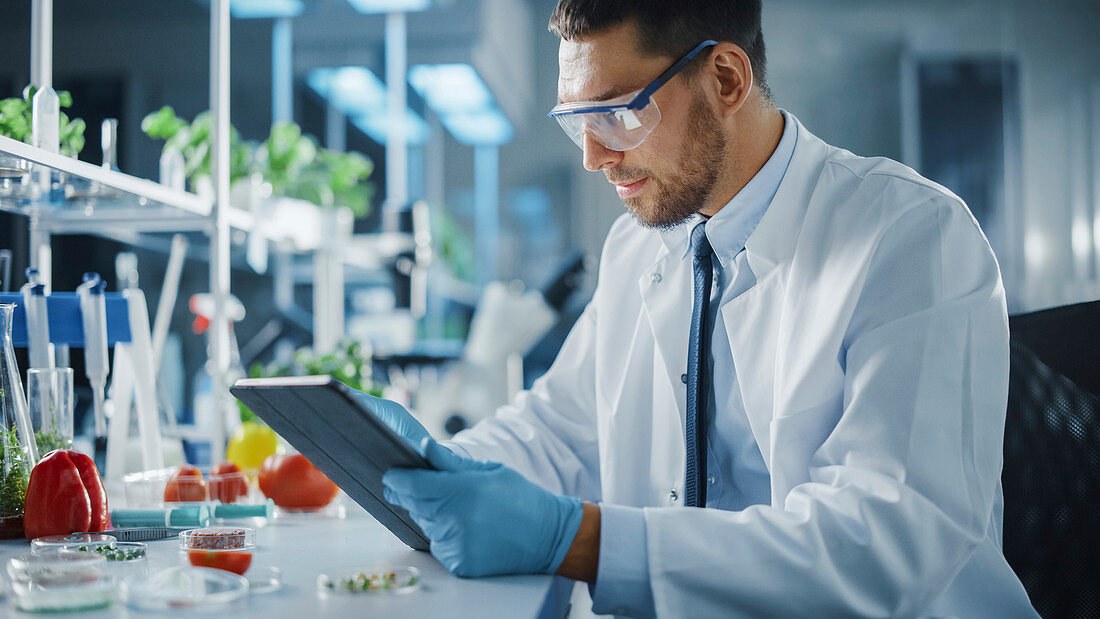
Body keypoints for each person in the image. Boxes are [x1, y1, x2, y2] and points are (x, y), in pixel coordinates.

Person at [376, 1, 1038, 616]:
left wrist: (579, 540)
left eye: (616, 113)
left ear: (725, 79)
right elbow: (557, 430)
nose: (593, 156)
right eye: (577, 120)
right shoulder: (639, 246)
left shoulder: (911, 236)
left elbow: (882, 543)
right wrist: (428, 465)